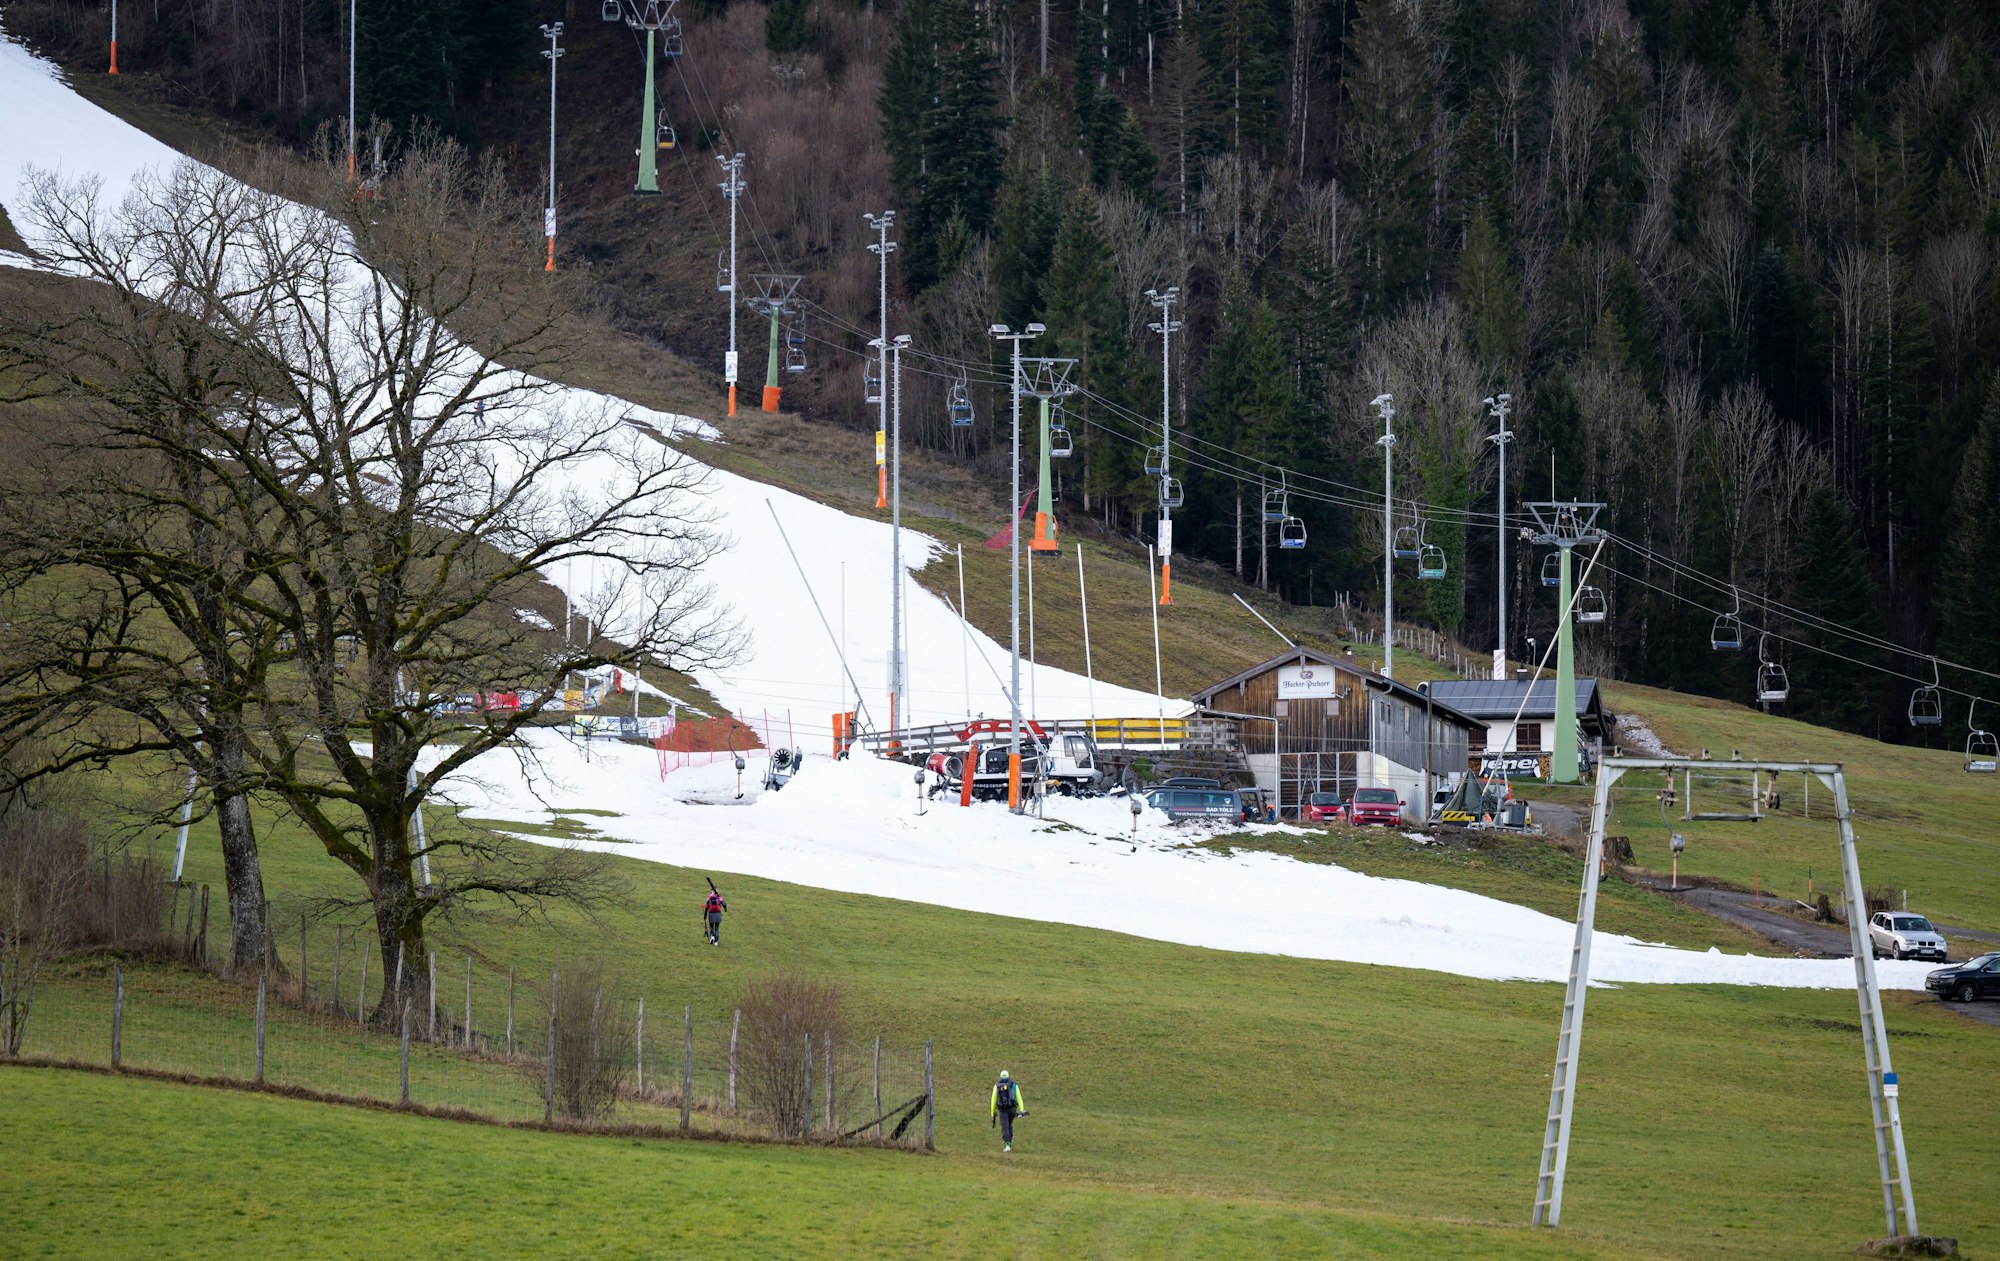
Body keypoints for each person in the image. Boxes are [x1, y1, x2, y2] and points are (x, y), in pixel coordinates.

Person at [989, 1069, 1028, 1152]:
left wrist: (992, 1111)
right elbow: (1019, 1098)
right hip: (1012, 1109)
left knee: (1005, 1126)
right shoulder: (1013, 1085)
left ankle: (1007, 1144)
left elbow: (993, 1099)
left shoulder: (997, 1086)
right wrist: (1021, 1110)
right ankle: (1009, 1141)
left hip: (1002, 1109)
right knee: (1009, 1125)